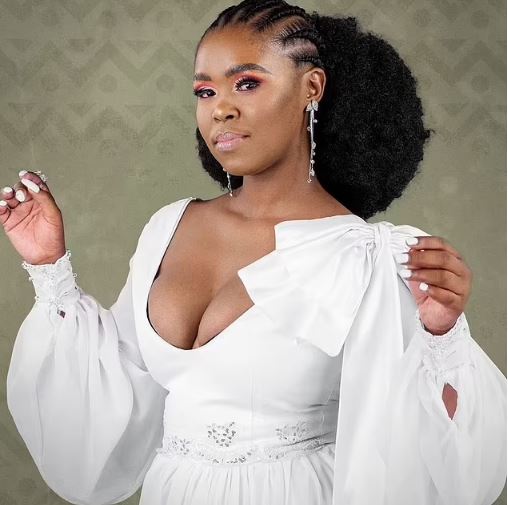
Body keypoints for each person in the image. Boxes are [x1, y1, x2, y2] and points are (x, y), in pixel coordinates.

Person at [2, 1, 506, 504]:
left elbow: (440, 462)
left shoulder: (367, 257)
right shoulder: (169, 227)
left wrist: (442, 336)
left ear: (311, 87)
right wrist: (49, 267)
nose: (220, 108)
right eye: (205, 91)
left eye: (246, 83)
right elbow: (116, 395)